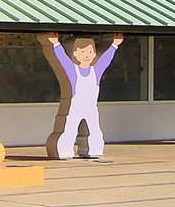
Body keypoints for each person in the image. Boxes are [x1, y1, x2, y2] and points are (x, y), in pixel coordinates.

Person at [42, 32, 122, 161]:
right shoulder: (73, 70)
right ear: (74, 54)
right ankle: (64, 150)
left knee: (94, 129)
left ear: (95, 54)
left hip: (91, 108)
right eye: (83, 52)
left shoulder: (95, 71)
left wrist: (114, 46)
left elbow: (106, 60)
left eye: (90, 52)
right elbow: (62, 59)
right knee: (69, 128)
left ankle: (95, 149)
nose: (87, 56)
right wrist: (56, 44)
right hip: (75, 107)